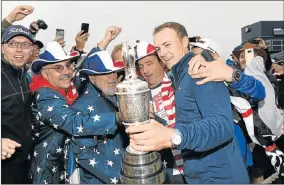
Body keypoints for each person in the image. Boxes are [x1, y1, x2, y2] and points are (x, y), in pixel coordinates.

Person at [126, 22, 249, 183]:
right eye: (158, 48)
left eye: (167, 45)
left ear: (184, 42)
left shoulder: (197, 70)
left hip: (220, 176)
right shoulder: (180, 76)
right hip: (200, 174)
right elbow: (192, 119)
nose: (163, 53)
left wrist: (174, 136)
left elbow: (222, 125)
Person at [65, 49, 127, 184]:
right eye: (105, 73)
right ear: (92, 78)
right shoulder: (81, 107)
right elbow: (84, 155)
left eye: (112, 72)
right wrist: (119, 178)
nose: (112, 76)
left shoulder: (114, 96)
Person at [135, 41, 185, 183]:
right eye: (141, 66)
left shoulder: (178, 84)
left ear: (162, 62)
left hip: (185, 154)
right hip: (159, 161)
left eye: (149, 63)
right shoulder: (139, 93)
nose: (145, 70)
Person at [1, 25, 35, 183]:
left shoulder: (25, 76)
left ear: (32, 50)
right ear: (2, 48)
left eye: (25, 45)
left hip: (23, 164)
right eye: (13, 44)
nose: (19, 50)